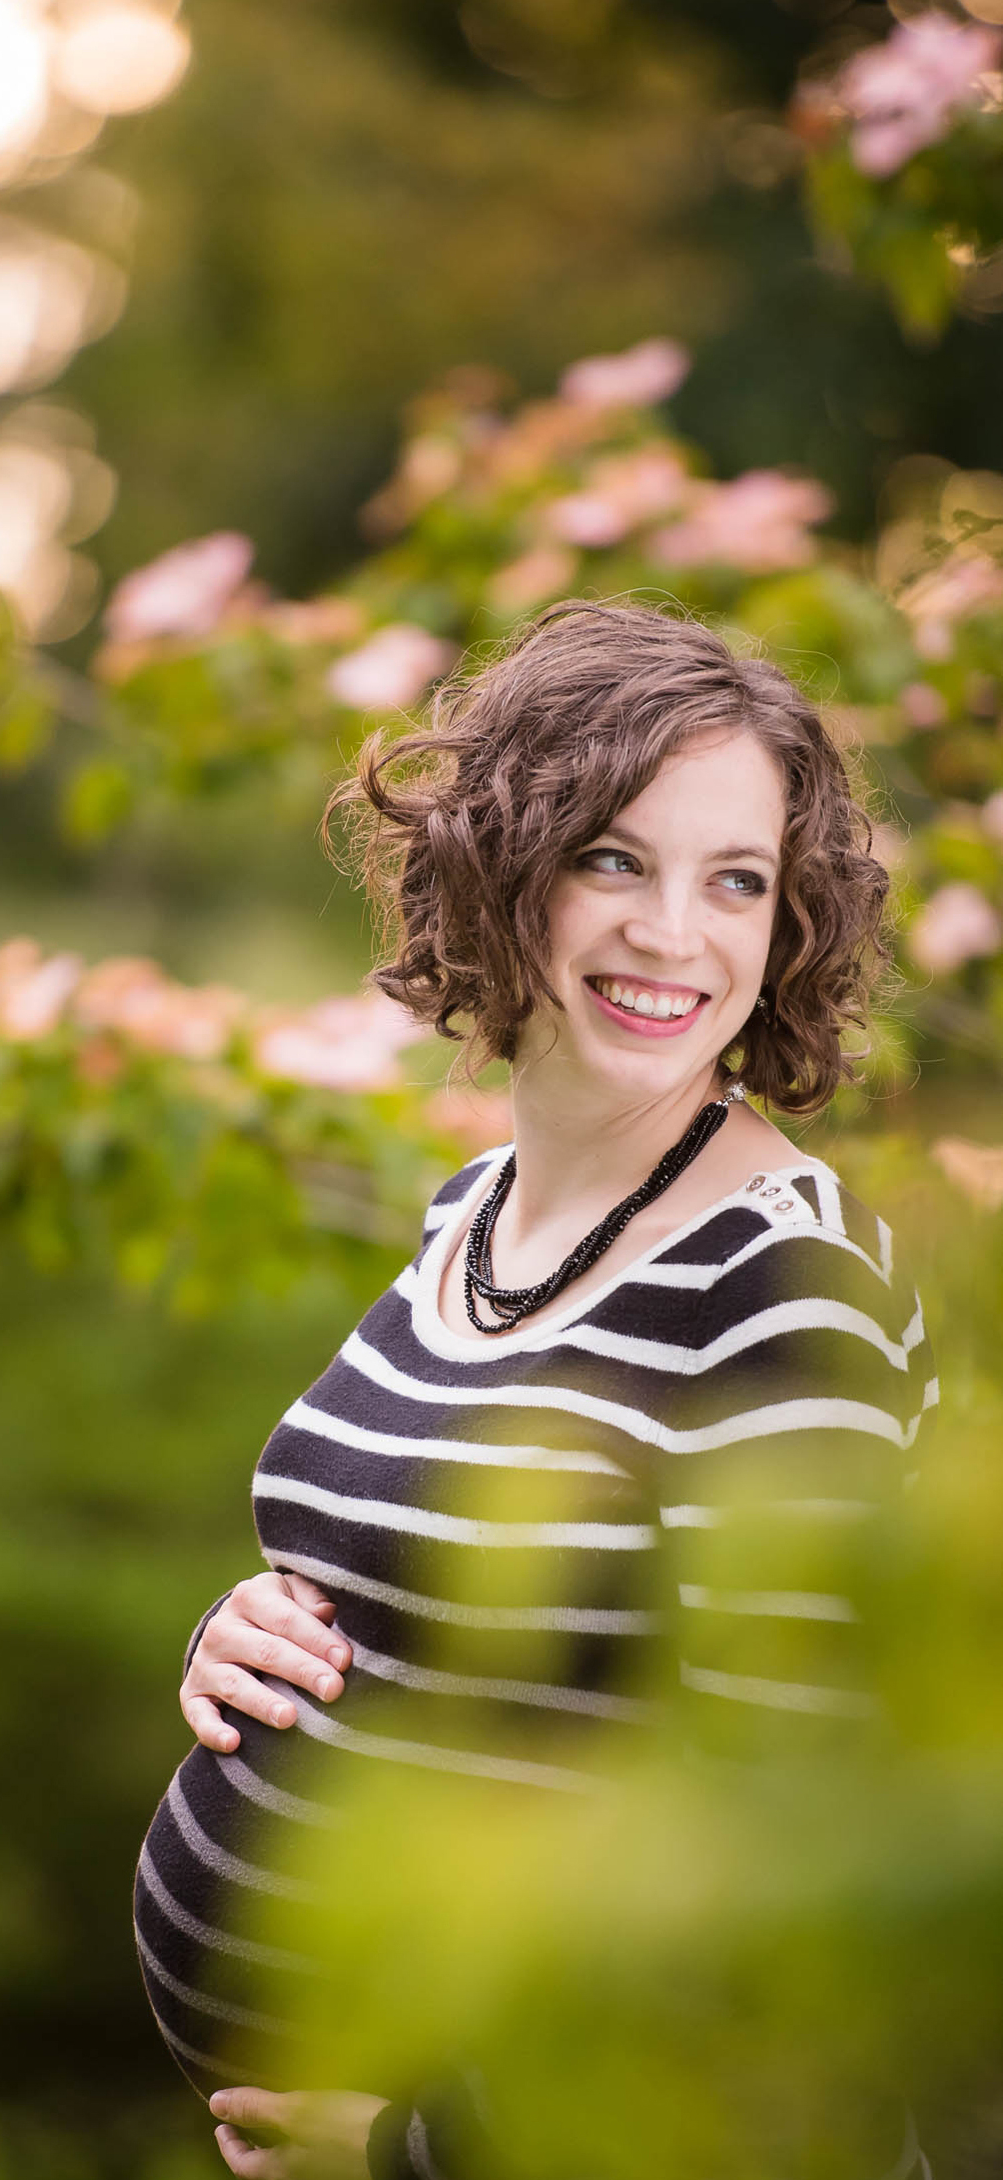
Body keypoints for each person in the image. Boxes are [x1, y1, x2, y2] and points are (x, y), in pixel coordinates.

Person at [131, 598, 939, 2180]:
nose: (674, 934)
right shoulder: (476, 1208)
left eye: (739, 881)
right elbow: (455, 1604)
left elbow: (793, 1882)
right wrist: (254, 1646)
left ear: (791, 923)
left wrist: (431, 2148)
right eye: (616, 858)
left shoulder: (784, 1287)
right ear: (508, 868)